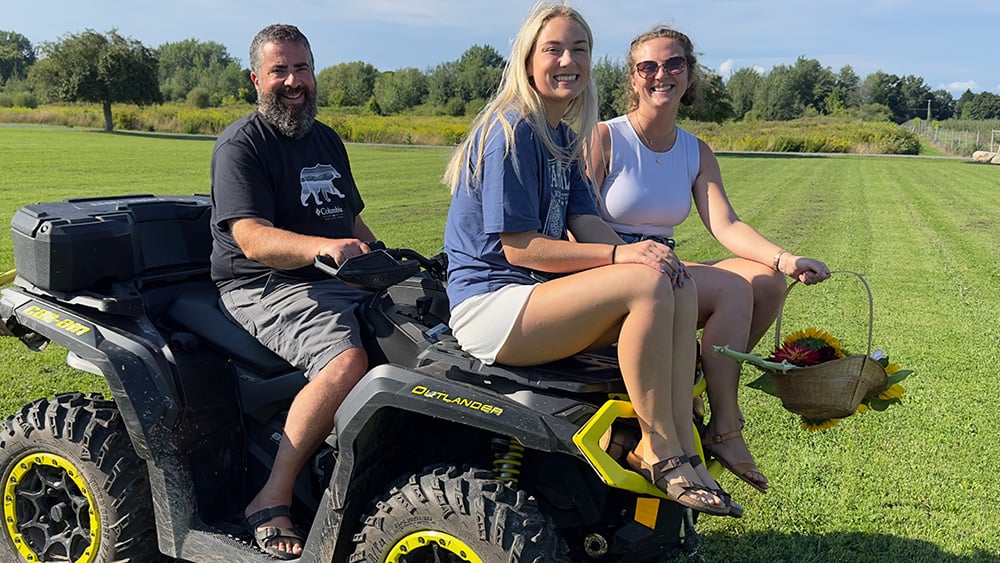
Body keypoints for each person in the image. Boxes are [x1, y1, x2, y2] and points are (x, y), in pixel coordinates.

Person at [443, 3, 738, 517]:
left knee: (674, 280)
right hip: (492, 306)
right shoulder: (511, 131)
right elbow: (521, 248)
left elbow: (587, 223)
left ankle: (683, 445)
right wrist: (624, 255)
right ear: (528, 59)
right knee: (644, 284)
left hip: (534, 296)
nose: (567, 60)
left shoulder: (561, 135)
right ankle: (656, 446)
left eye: (579, 49)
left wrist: (648, 256)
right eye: (553, 49)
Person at [587, 26, 831, 494]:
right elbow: (576, 218)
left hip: (666, 267)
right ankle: (726, 425)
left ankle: (700, 384)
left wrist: (786, 259)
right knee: (734, 287)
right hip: (615, 268)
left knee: (766, 282)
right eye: (648, 67)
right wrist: (624, 257)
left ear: (690, 74)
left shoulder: (694, 150)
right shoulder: (605, 139)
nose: (662, 74)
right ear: (633, 79)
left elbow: (725, 225)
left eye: (674, 64)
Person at [209, 23, 375, 559]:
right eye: (279, 70)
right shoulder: (241, 144)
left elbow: (352, 222)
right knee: (346, 360)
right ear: (256, 78)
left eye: (301, 68)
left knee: (417, 336)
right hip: (262, 284)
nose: (292, 81)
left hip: (327, 275)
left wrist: (386, 260)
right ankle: (272, 496)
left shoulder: (326, 139)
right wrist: (320, 248)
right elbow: (251, 238)